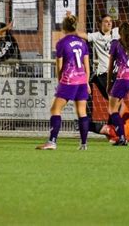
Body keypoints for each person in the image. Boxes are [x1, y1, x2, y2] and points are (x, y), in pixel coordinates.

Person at [76, 0, 129, 118]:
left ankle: (114, 126)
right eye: (106, 21)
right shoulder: (96, 36)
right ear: (101, 24)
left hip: (116, 74)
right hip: (104, 73)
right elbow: (80, 34)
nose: (109, 23)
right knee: (116, 103)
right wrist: (70, 23)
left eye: (110, 21)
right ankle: (114, 126)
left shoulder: (117, 32)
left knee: (116, 104)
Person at [36, 15, 91, 151]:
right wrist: (87, 82)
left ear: (63, 27)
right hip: (82, 80)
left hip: (69, 80)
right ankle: (83, 144)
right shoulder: (83, 43)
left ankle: (52, 141)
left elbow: (59, 66)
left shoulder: (62, 43)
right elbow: (86, 65)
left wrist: (60, 81)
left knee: (55, 110)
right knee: (82, 112)